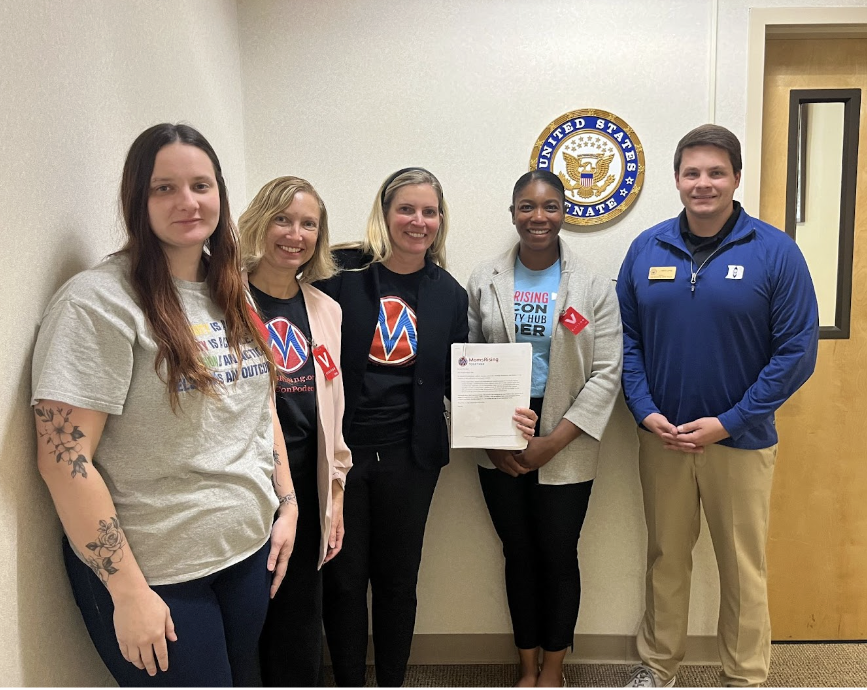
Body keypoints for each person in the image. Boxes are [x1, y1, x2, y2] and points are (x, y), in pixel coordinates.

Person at [30, 123, 298, 687]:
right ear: (136, 198)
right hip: (158, 574)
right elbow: (63, 461)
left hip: (245, 551)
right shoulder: (97, 303)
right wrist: (127, 591)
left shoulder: (232, 288)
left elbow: (258, 405)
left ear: (220, 194)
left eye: (201, 185)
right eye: (163, 188)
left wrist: (288, 502)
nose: (187, 201)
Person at [315, 167, 536, 687]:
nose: (418, 221)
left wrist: (504, 415)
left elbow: (456, 381)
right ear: (385, 213)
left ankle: (392, 679)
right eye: (406, 209)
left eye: (430, 211)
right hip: (340, 454)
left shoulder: (449, 295)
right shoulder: (340, 275)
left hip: (410, 458)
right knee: (344, 581)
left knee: (397, 581)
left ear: (441, 220)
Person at [616, 125, 819, 688]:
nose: (702, 184)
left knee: (742, 568)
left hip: (742, 442)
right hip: (663, 439)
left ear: (734, 178)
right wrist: (643, 408)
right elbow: (626, 343)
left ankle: (744, 676)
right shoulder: (647, 249)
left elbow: (797, 352)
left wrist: (730, 421)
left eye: (715, 172)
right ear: (677, 179)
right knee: (666, 560)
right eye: (691, 172)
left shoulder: (775, 252)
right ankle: (658, 667)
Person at [466, 170, 623, 687]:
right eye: (528, 207)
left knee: (557, 554)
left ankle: (554, 669)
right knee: (518, 553)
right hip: (497, 434)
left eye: (550, 207)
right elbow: (464, 363)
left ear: (564, 213)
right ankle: (526, 666)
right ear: (513, 212)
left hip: (567, 435)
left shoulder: (595, 287)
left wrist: (554, 440)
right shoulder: (484, 279)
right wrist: (490, 441)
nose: (539, 218)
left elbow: (607, 372)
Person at [237, 176, 352, 686]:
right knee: (248, 617)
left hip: (308, 483)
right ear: (260, 222)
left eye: (308, 224)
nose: (295, 234)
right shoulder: (224, 299)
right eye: (283, 219)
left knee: (300, 621)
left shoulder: (327, 311)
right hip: (246, 485)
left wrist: (336, 495)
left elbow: (335, 410)